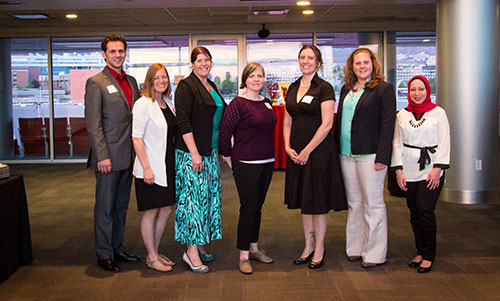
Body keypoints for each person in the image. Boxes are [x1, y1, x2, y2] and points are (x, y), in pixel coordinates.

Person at [283, 45, 347, 270]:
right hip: (296, 150)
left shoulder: (325, 88)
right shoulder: (292, 86)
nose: (306, 61)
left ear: (318, 63)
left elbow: (327, 123)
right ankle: (308, 245)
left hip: (318, 151)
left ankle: (319, 247)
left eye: (310, 58)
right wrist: (287, 145)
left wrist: (307, 150)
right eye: (302, 57)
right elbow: (288, 120)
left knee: (318, 202)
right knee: (304, 200)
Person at [335, 47, 396, 268]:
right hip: (346, 154)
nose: (362, 66)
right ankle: (356, 248)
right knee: (355, 204)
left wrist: (383, 156)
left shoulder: (383, 89)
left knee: (374, 204)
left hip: (371, 156)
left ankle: (375, 253)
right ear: (352, 66)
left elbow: (388, 124)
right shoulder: (346, 89)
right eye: (358, 63)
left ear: (373, 64)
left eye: (365, 62)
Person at [85, 34, 140, 272]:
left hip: (128, 156)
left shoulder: (132, 81)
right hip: (108, 157)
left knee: (121, 207)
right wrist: (102, 156)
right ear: (104, 54)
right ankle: (104, 253)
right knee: (105, 207)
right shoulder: (96, 82)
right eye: (113, 51)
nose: (118, 55)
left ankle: (117, 247)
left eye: (121, 51)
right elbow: (93, 124)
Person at [219, 63, 277, 275]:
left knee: (258, 207)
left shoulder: (267, 103)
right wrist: (228, 156)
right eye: (252, 76)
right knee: (248, 207)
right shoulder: (238, 103)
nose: (256, 79)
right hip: (245, 163)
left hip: (266, 162)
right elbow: (225, 132)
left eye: (260, 76)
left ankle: (254, 248)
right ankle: (243, 255)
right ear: (245, 79)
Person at [174, 46, 226, 274]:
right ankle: (190, 251)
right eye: (199, 60)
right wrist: (194, 153)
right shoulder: (186, 87)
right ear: (192, 63)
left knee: (207, 200)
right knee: (192, 202)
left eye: (207, 60)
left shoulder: (210, 85)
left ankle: (200, 241)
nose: (204, 63)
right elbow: (183, 122)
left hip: (210, 151)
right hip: (191, 154)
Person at [391, 75, 450, 273]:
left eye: (421, 89)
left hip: (431, 169)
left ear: (428, 90)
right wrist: (398, 170)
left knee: (425, 209)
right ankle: (419, 250)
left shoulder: (438, 113)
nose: (417, 93)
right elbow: (397, 143)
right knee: (414, 211)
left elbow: (444, 141)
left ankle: (428, 254)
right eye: (413, 90)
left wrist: (438, 169)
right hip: (408, 168)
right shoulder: (402, 115)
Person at [132, 63, 177, 273]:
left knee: (166, 209)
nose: (161, 81)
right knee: (151, 211)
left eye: (164, 78)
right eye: (157, 78)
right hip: (149, 167)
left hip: (167, 165)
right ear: (149, 81)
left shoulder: (166, 102)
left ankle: (155, 252)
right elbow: (137, 138)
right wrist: (146, 168)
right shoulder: (143, 104)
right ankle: (151, 256)